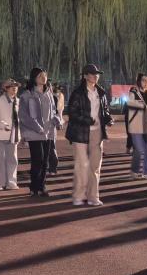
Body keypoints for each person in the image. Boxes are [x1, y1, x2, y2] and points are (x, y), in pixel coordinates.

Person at [65, 64, 113, 206]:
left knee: (95, 166)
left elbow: (105, 110)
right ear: (85, 76)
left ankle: (93, 197)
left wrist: (108, 119)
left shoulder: (101, 93)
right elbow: (72, 113)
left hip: (97, 133)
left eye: (97, 74)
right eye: (92, 74)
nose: (96, 76)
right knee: (81, 166)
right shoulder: (77, 93)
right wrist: (87, 120)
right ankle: (78, 196)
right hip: (80, 132)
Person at [19, 67, 59, 197]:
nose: (43, 77)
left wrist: (57, 120)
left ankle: (42, 186)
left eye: (44, 75)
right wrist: (37, 128)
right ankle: (34, 187)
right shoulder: (27, 95)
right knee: (38, 160)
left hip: (48, 132)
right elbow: (23, 116)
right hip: (34, 133)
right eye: (40, 76)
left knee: (45, 161)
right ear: (34, 78)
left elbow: (54, 111)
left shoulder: (49, 93)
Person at [0, 78, 22, 191]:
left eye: (16, 87)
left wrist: (19, 134)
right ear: (6, 89)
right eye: (11, 87)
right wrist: (2, 125)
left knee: (12, 160)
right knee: (0, 161)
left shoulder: (18, 101)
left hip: (13, 136)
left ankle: (11, 183)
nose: (14, 89)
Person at [126, 73, 147, 180]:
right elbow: (130, 104)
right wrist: (143, 105)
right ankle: (134, 170)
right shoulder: (133, 92)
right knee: (139, 149)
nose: (146, 83)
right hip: (136, 126)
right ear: (139, 81)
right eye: (144, 80)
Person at [49, 83, 65, 174]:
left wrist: (59, 121)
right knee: (50, 146)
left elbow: (59, 110)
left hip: (51, 124)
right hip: (51, 123)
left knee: (51, 146)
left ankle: (52, 167)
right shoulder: (53, 96)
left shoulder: (56, 96)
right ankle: (51, 167)